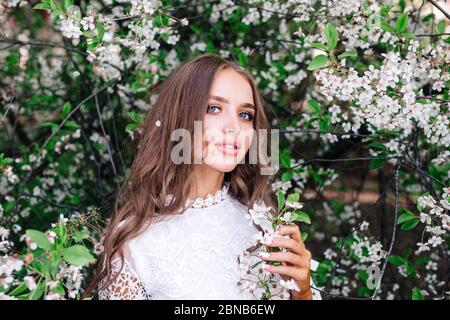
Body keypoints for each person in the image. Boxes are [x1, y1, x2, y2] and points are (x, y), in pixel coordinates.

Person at [85, 53, 321, 300]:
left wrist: (302, 292)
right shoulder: (135, 244)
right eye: (214, 108)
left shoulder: (264, 225)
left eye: (245, 115)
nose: (233, 127)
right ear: (180, 116)